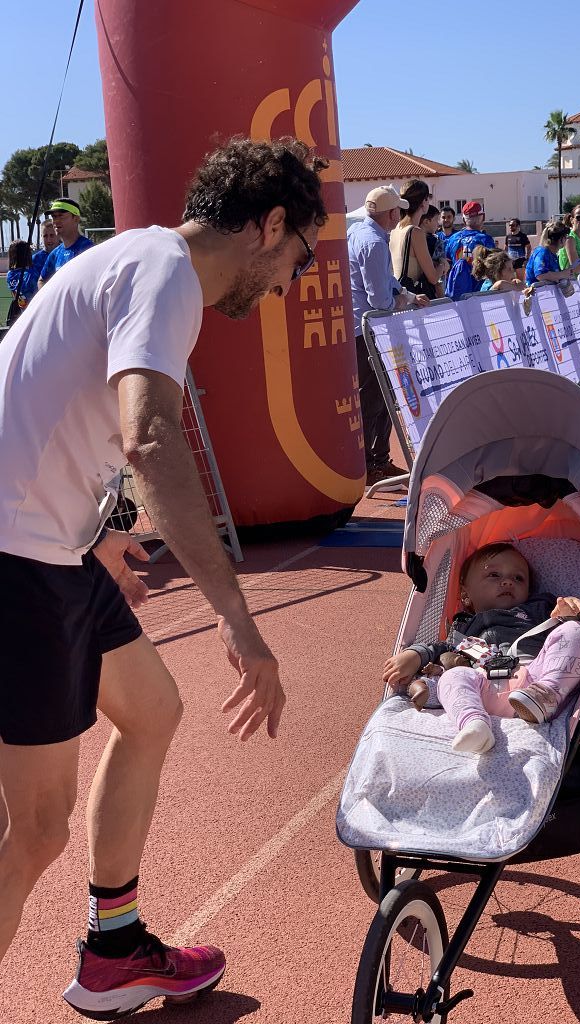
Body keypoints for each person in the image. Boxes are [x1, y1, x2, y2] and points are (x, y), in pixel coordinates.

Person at [0, 136, 324, 1017]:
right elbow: (148, 436)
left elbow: (64, 410)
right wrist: (236, 618)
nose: (290, 282)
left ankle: (114, 949)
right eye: (295, 257)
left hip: (50, 543)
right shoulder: (167, 273)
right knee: (33, 830)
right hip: (17, 556)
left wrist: (99, 530)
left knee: (152, 711)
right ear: (268, 225)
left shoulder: (141, 260)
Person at [382, 543, 580, 753]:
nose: (508, 582)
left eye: (518, 578)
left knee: (577, 631)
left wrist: (570, 611)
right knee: (453, 676)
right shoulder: (465, 625)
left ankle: (548, 695)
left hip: (536, 678)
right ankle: (474, 724)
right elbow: (441, 647)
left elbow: (568, 639)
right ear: (465, 594)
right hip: (486, 686)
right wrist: (414, 654)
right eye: (494, 575)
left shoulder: (540, 608)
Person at [348, 185, 429, 485]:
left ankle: (377, 459)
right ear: (392, 213)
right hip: (368, 330)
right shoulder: (374, 242)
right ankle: (373, 462)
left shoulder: (360, 234)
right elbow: (380, 299)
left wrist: (406, 294)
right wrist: (403, 300)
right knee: (376, 398)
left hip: (363, 329)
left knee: (378, 397)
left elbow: (386, 286)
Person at [390, 180, 448, 303]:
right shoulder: (415, 232)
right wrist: (443, 265)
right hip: (414, 300)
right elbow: (432, 277)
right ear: (423, 202)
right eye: (428, 198)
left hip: (400, 296)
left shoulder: (396, 229)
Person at [443, 201, 496, 299]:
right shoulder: (486, 240)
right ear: (483, 217)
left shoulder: (452, 239)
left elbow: (447, 268)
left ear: (463, 220)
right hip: (478, 294)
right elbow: (492, 269)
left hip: (456, 294)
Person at [38, 198, 94, 286]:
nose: (56, 221)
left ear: (76, 219)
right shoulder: (55, 254)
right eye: (54, 217)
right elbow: (41, 280)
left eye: (61, 215)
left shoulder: (88, 249)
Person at [525, 221, 573, 287]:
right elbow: (540, 275)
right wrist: (563, 274)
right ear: (561, 239)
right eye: (566, 236)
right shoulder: (542, 252)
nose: (567, 239)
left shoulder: (552, 254)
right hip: (537, 294)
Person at [5, 240, 39, 322]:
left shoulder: (10, 274)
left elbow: (14, 294)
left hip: (22, 312)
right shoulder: (32, 273)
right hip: (35, 313)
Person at [419, 204, 446, 298]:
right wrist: (442, 264)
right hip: (430, 291)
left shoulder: (407, 236)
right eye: (436, 220)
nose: (438, 223)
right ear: (426, 221)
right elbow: (442, 270)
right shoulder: (435, 241)